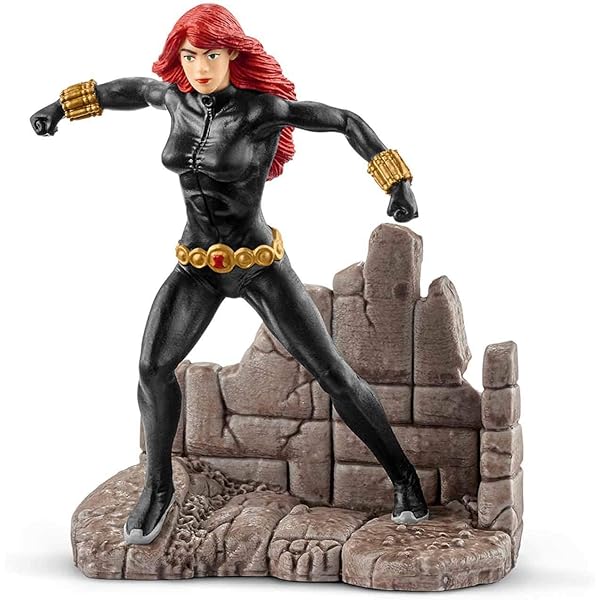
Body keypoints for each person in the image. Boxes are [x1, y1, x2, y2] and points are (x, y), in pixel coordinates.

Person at [30, 3, 428, 545]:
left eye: (211, 55)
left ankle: (404, 480)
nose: (199, 67)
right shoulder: (175, 100)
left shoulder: (260, 110)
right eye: (189, 56)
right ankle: (159, 487)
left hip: (257, 264)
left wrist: (397, 182)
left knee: (332, 373)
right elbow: (126, 90)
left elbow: (344, 121)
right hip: (197, 265)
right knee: (151, 368)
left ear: (232, 55)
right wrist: (59, 107)